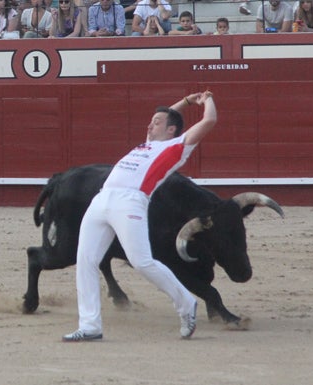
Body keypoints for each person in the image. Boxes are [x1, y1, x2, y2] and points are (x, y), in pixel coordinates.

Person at [62, 90, 217, 342]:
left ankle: (186, 303)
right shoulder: (148, 143)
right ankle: (90, 325)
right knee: (86, 260)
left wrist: (206, 99)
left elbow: (209, 121)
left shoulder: (177, 146)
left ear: (171, 130)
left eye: (156, 122)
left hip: (131, 202)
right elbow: (168, 115)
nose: (150, 124)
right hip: (102, 198)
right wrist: (187, 102)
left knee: (142, 261)